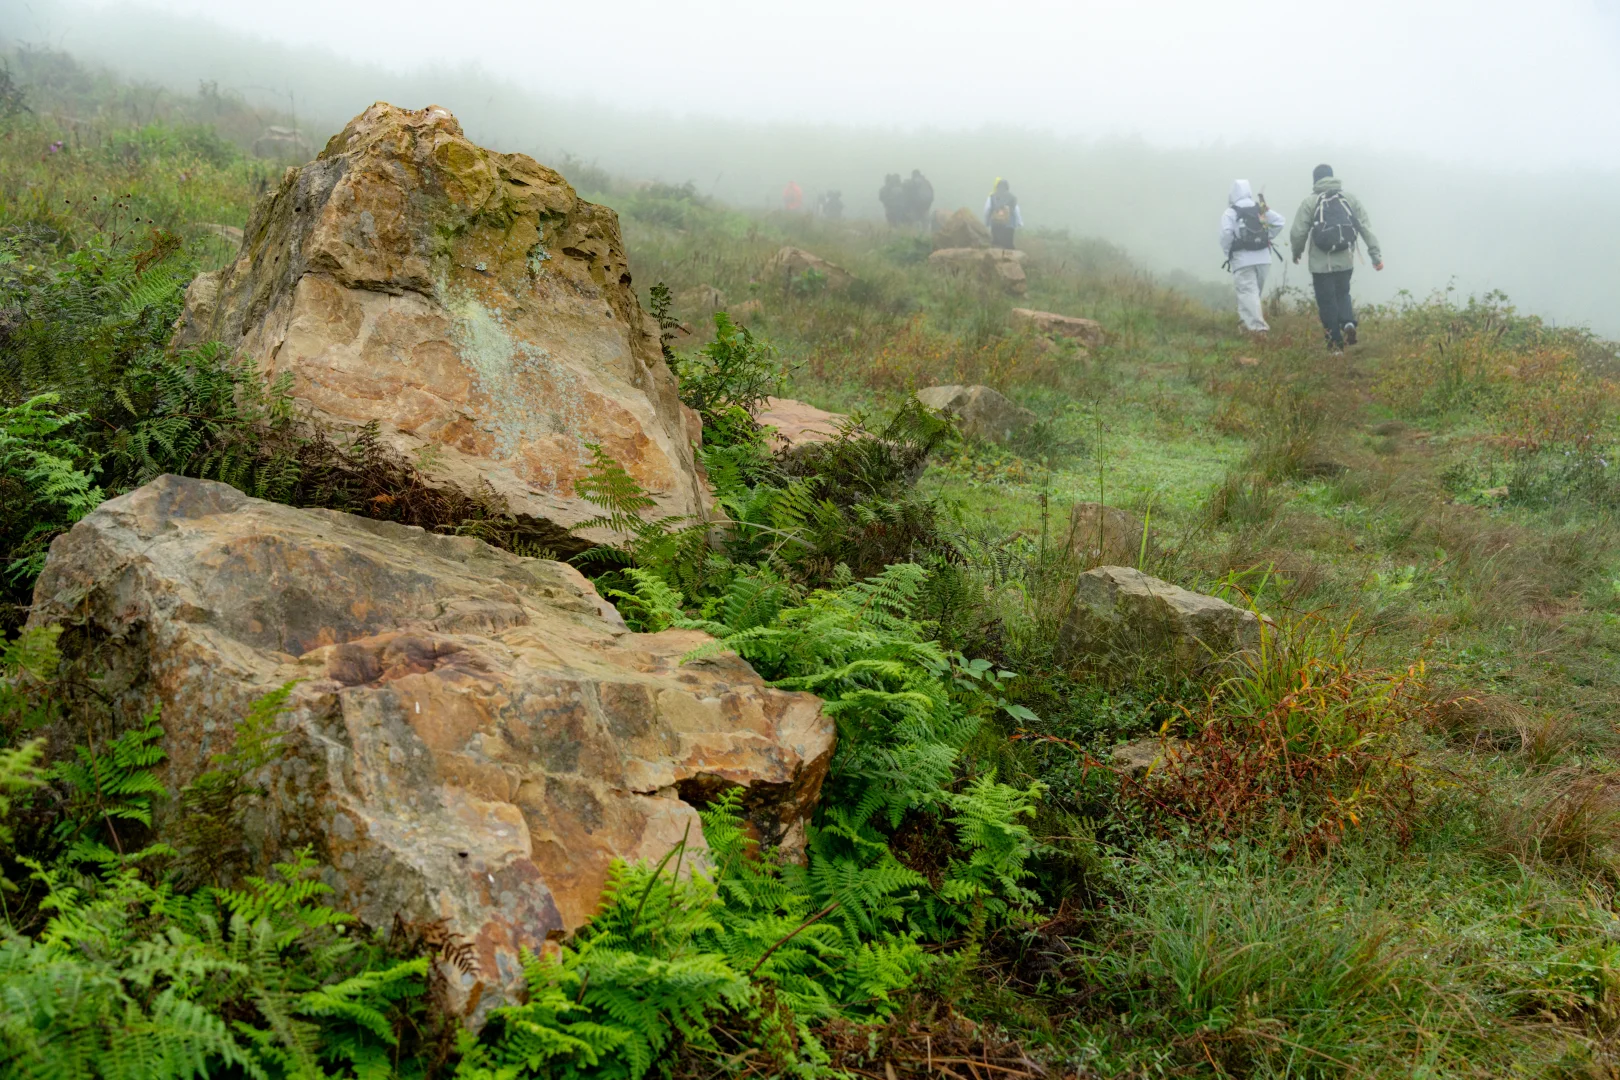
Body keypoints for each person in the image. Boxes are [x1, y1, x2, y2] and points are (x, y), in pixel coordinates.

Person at [1289, 164, 1383, 352]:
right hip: (1345, 260)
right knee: (1343, 293)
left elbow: (1298, 232)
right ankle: (1348, 323)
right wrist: (1375, 256)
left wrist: (1297, 252)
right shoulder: (1349, 199)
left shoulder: (1310, 202)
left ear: (1315, 180)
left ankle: (1335, 346)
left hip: (1320, 264)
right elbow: (1365, 227)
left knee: (1326, 302)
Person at [1218, 179, 1285, 334]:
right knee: (1251, 294)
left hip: (1242, 260)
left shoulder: (1231, 212)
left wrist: (1229, 253)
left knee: (1247, 292)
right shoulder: (1259, 209)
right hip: (1263, 258)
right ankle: (1244, 325)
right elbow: (1280, 222)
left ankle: (1258, 330)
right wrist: (1268, 236)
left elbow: (1225, 235)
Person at [983, 178, 1022, 248]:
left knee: (996, 245)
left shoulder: (992, 197)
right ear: (1007, 187)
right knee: (1008, 246)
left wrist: (987, 223)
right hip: (1009, 227)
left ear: (997, 187)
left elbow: (987, 209)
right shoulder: (1012, 198)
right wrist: (1019, 223)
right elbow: (1016, 211)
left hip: (996, 224)